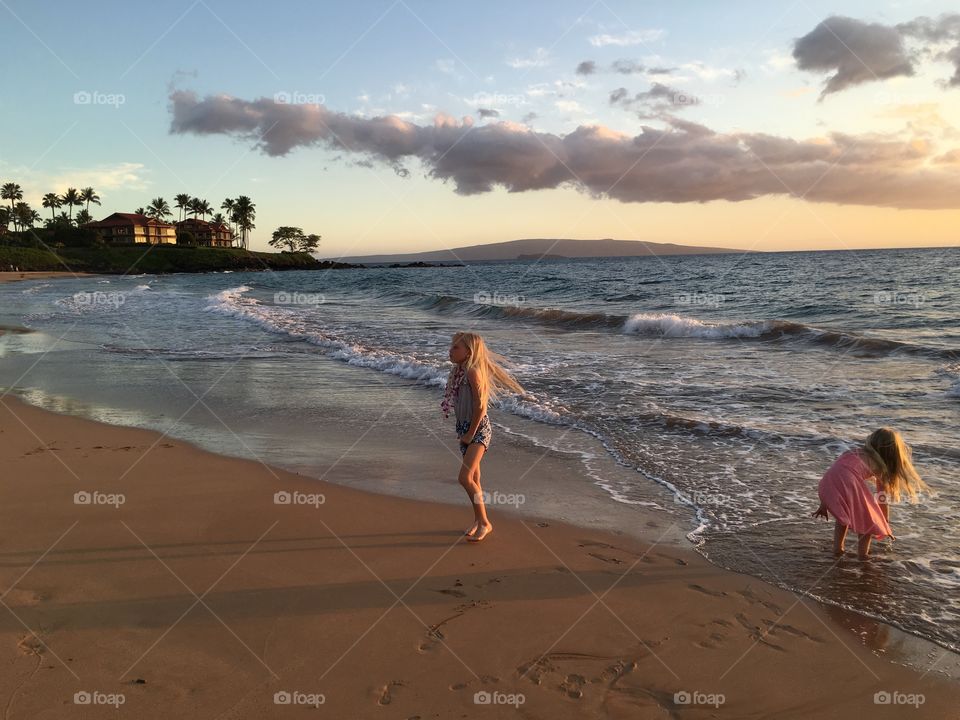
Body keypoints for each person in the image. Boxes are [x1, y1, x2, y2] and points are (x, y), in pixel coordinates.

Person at [441, 331, 524, 542]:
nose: (450, 350)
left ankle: (485, 522)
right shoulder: (458, 371)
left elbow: (480, 407)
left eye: (455, 347)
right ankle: (479, 520)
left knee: (464, 478)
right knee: (475, 479)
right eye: (451, 346)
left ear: (469, 352)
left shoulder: (472, 372)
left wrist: (470, 433)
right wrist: (463, 431)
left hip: (478, 430)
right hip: (464, 429)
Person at [812, 428, 928, 559]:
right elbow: (881, 497)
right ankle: (863, 555)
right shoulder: (880, 465)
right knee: (868, 520)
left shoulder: (854, 452)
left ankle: (838, 549)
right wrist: (884, 522)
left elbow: (836, 477)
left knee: (844, 515)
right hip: (848, 480)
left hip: (827, 480)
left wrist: (824, 503)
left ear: (871, 441)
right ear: (892, 451)